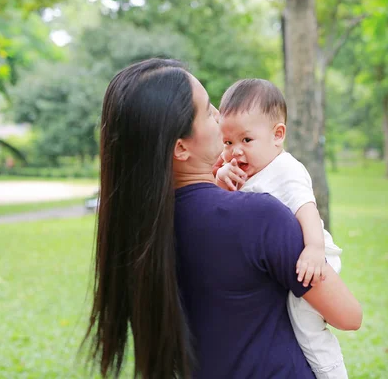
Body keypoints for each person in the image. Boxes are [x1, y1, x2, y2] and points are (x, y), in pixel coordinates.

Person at [84, 58, 362, 379]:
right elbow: (348, 315)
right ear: (180, 148)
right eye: (207, 111)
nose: (220, 116)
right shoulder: (260, 217)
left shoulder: (136, 231)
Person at [215, 79, 348, 378]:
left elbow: (307, 210)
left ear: (277, 135)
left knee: (306, 326)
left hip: (311, 259)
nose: (235, 151)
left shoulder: (286, 171)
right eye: (227, 142)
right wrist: (222, 177)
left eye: (246, 140)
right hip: (285, 262)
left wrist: (314, 250)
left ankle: (332, 374)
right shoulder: (247, 169)